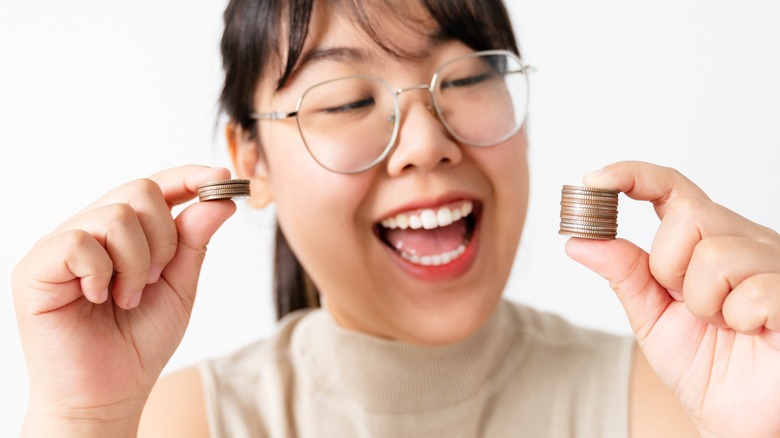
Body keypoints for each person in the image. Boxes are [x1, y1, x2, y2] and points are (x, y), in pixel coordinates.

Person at [11, 0, 780, 437]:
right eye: (346, 99)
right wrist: (82, 417)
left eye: (472, 75)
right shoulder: (173, 423)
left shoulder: (676, 406)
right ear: (251, 163)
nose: (427, 142)